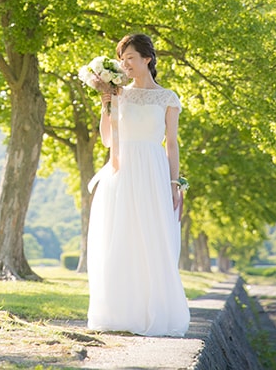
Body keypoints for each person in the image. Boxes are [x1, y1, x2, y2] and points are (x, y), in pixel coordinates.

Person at [86, 32, 190, 337]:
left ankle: (153, 312)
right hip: (122, 169)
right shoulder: (119, 94)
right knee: (120, 237)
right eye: (121, 59)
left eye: (130, 57)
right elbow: (107, 139)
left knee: (152, 238)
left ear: (147, 59)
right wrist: (106, 103)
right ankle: (120, 313)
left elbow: (171, 144)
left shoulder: (167, 97)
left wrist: (175, 183)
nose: (125, 64)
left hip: (154, 171)